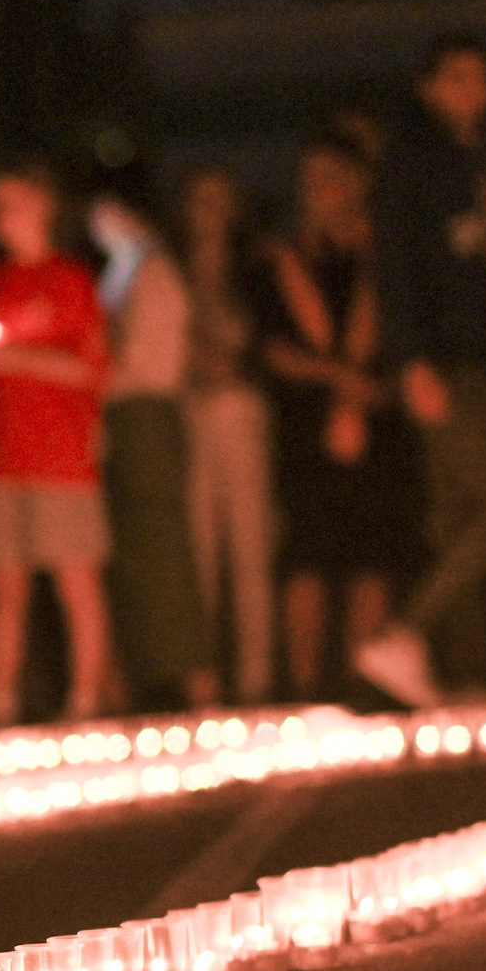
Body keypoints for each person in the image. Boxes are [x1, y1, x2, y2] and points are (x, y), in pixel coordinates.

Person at [358, 33, 486, 707]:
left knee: (456, 517)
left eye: (481, 77)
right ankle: (401, 633)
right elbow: (396, 269)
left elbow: (470, 285)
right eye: (457, 76)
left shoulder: (463, 164)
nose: (473, 90)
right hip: (434, 364)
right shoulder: (413, 161)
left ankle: (462, 673)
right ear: (428, 85)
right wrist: (409, 362)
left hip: (468, 364)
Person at [256, 131, 422, 699]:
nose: (316, 191)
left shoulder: (385, 258)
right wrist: (339, 383)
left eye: (329, 179)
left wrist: (361, 395)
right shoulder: (285, 256)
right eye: (310, 181)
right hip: (306, 423)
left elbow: (389, 331)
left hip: (377, 419)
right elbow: (275, 347)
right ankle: (303, 685)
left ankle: (361, 679)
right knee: (308, 550)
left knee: (370, 552)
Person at [0, 158, 114, 725]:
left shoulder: (71, 280)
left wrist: (19, 357)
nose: (3, 216)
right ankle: (0, 703)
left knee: (76, 579)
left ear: (44, 206)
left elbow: (96, 371)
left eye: (14, 202)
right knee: (6, 585)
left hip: (61, 454)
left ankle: (86, 699)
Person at [89, 192, 213, 710]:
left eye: (112, 214)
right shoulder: (123, 273)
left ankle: (193, 678)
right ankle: (155, 676)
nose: (102, 225)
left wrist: (88, 377)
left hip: (146, 414)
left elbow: (146, 359)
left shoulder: (155, 273)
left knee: (162, 546)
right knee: (139, 553)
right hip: (125, 415)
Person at [176, 168, 278, 705]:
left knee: (249, 542)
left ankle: (257, 679)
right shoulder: (171, 269)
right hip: (189, 413)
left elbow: (265, 341)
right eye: (198, 199)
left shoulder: (255, 268)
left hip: (239, 408)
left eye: (219, 200)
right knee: (198, 547)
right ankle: (203, 684)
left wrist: (227, 358)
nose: (208, 211)